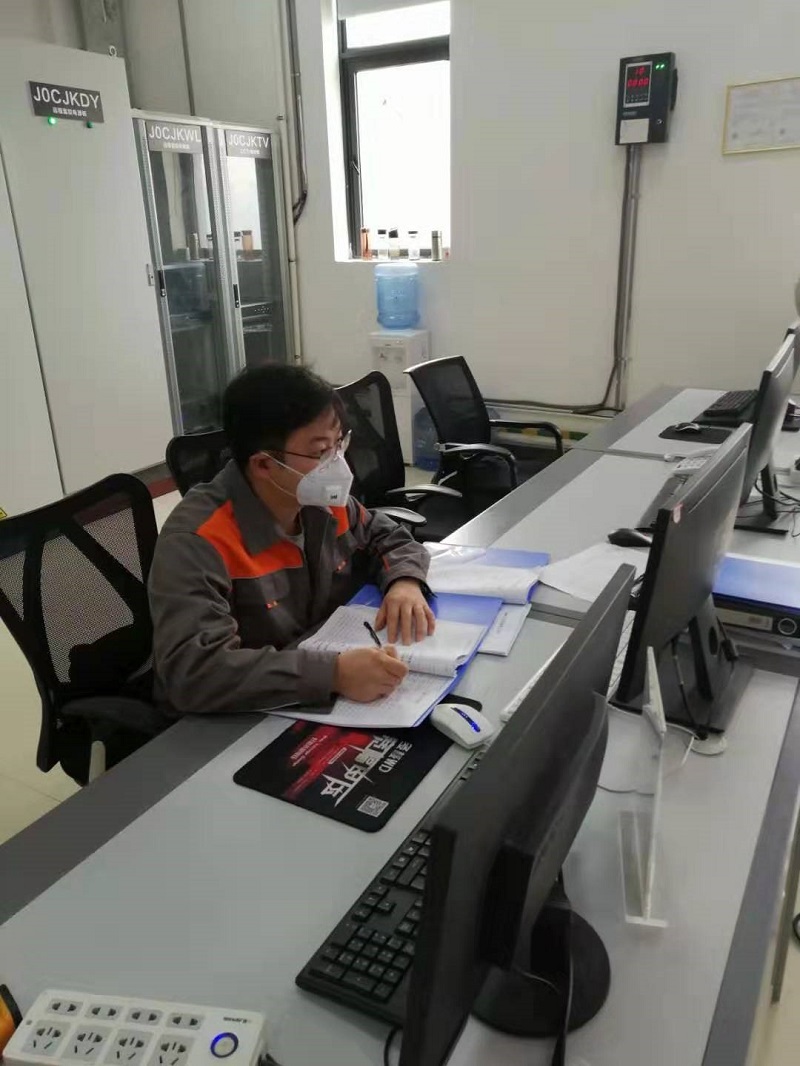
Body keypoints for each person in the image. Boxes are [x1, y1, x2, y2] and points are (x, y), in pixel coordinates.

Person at [149, 364, 435, 717]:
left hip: (303, 685)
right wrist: (333, 675)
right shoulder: (198, 541)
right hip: (229, 720)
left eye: (339, 444)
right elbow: (196, 674)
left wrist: (404, 582)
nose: (338, 465)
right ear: (264, 465)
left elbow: (387, 534)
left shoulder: (321, 500)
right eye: (320, 452)